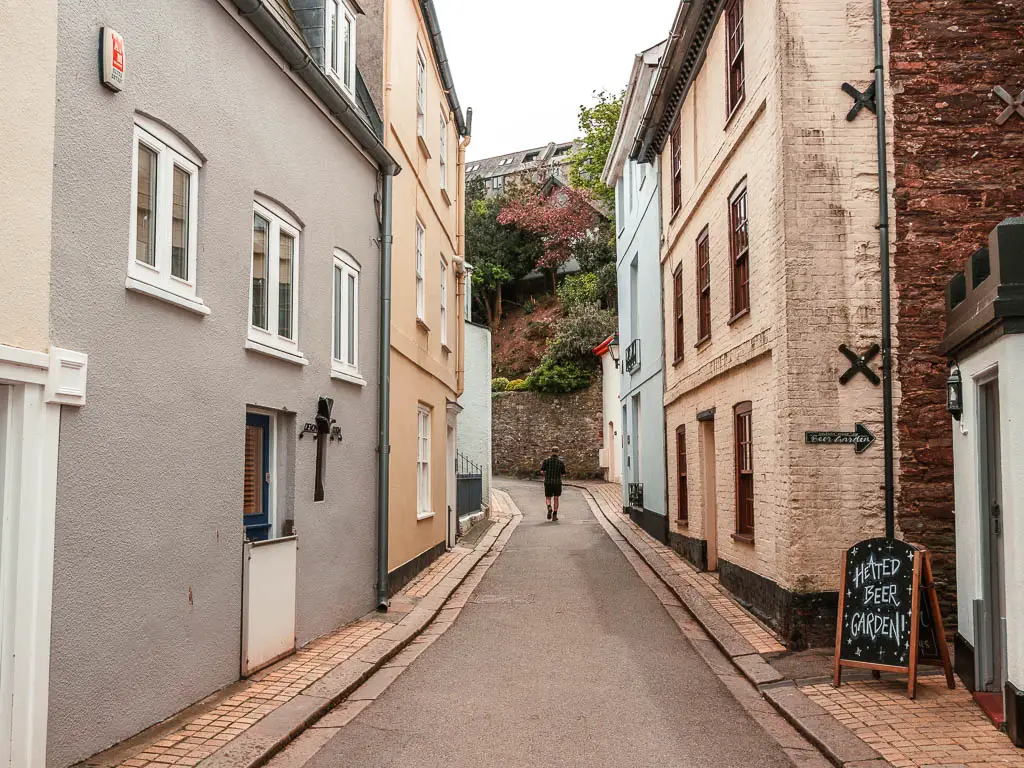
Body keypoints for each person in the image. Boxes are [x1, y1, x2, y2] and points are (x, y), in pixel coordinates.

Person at [540, 447, 566, 521]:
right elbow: (563, 473)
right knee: (556, 498)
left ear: (551, 452)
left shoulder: (546, 461)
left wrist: (546, 473)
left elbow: (542, 471)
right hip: (557, 482)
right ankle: (555, 515)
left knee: (548, 497)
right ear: (558, 452)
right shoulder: (561, 462)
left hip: (548, 482)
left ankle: (549, 507)